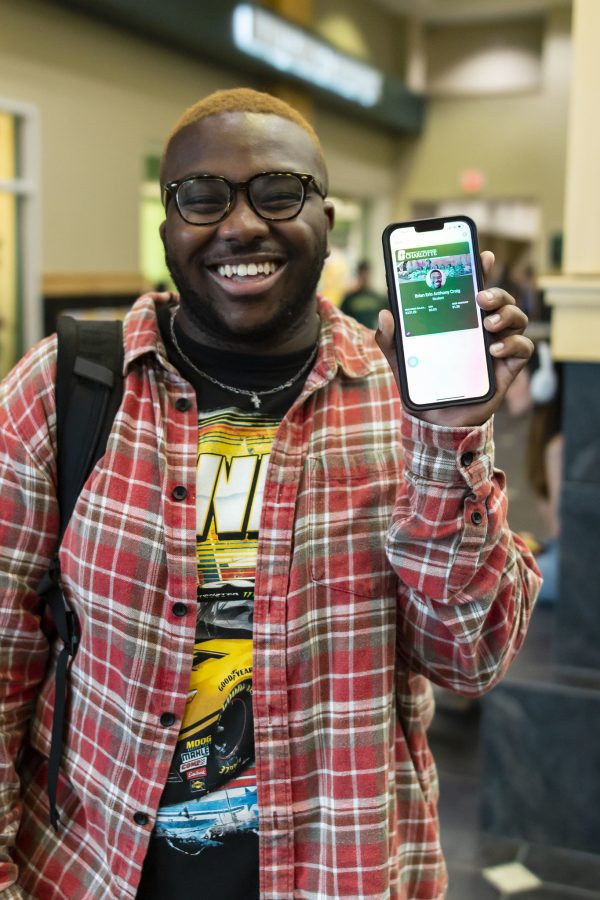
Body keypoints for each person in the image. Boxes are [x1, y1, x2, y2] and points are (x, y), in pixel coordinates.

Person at [0, 87, 540, 900]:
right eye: (201, 197)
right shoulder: (64, 388)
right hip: (91, 869)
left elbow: (472, 657)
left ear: (327, 219)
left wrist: (449, 438)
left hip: (340, 870)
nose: (241, 224)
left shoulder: (408, 400)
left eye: (279, 192)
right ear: (168, 230)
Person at [339, 259, 387, 329]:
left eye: (366, 273)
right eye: (362, 273)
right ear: (358, 274)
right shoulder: (349, 299)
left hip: (374, 336)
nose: (365, 277)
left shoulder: (379, 298)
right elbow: (342, 319)